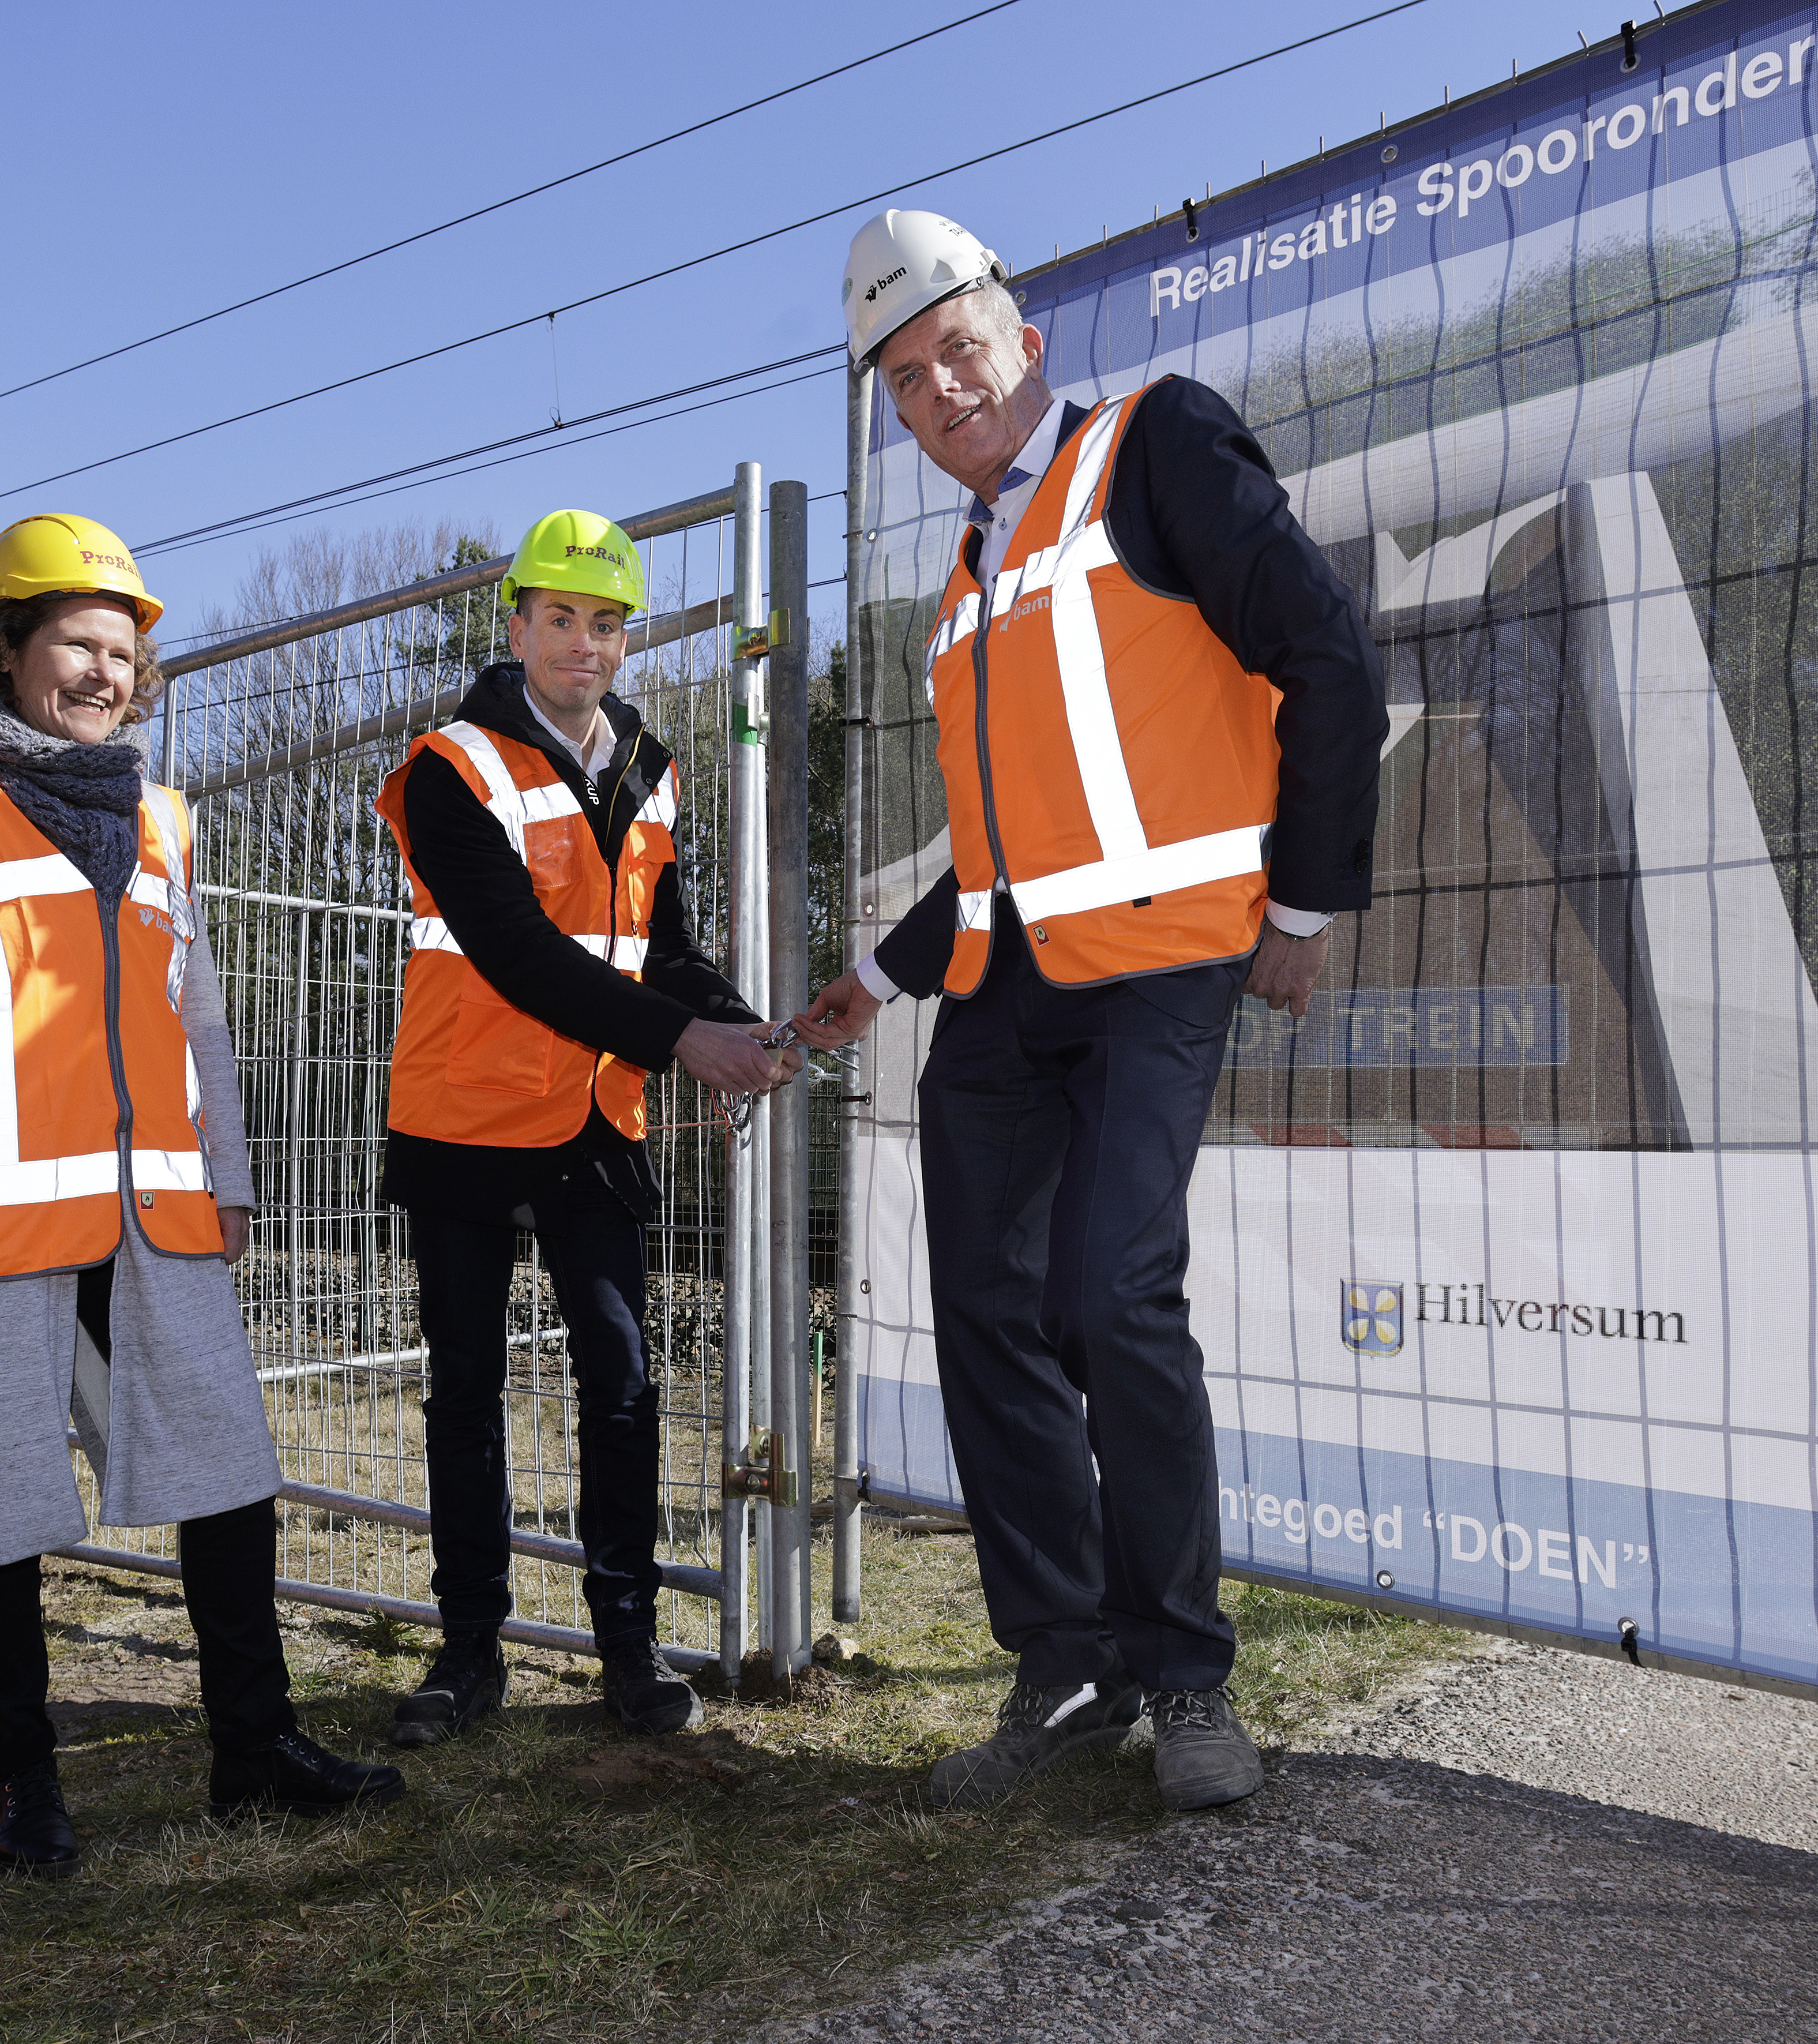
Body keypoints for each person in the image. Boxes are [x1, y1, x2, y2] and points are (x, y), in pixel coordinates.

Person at [795, 211, 1388, 1813]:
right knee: (987, 1307)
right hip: (1008, 985)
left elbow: (1328, 653)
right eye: (905, 384)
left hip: (1165, 964)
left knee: (1111, 1291)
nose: (939, 395)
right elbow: (1008, 842)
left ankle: (1185, 1669)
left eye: (957, 352)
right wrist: (881, 969)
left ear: (1025, 339)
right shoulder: (965, 574)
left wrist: (1303, 902)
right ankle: (1066, 1660)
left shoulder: (1155, 442)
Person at [0, 512, 403, 1877]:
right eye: (76, 642)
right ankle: (20, 1786)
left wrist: (230, 1172)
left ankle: (254, 1752)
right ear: (5, 648)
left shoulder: (162, 817)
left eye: (124, 651)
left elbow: (197, 1018)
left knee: (228, 1475)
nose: (102, 671)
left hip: (154, 1213)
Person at [372, 509, 797, 1746]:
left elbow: (652, 950)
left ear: (627, 638)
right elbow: (511, 951)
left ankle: (627, 1645)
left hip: (595, 1117)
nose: (583, 643)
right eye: (559, 617)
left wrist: (748, 1024)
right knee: (466, 1387)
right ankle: (467, 1652)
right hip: (463, 1111)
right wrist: (685, 1042)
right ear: (515, 625)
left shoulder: (650, 772)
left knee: (620, 1381)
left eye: (605, 622)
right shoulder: (449, 765)